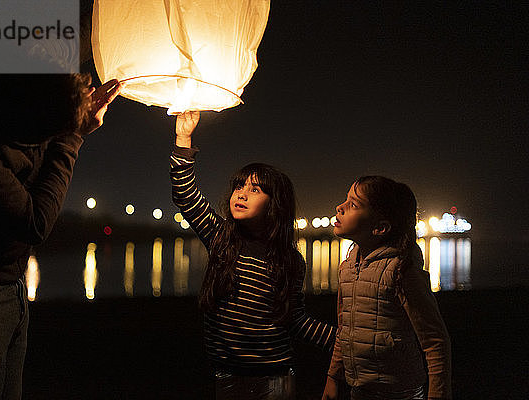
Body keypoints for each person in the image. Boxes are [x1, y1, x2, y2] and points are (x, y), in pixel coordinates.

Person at [0, 73, 120, 399]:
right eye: (54, 125)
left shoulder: (28, 119)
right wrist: (72, 136)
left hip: (10, 288)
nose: (53, 135)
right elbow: (36, 222)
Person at [170, 111, 336, 399]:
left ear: (276, 205)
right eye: (239, 186)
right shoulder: (221, 237)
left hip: (275, 378)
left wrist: (342, 340)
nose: (241, 194)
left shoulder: (290, 261)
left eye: (254, 189)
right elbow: (185, 194)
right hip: (226, 374)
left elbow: (294, 318)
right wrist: (183, 138)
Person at [322, 176, 452, 400]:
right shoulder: (347, 268)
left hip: (401, 393)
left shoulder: (402, 271)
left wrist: (438, 395)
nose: (340, 208)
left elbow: (435, 341)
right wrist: (333, 378)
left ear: (380, 228)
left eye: (353, 204)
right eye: (346, 200)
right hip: (359, 390)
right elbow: (344, 330)